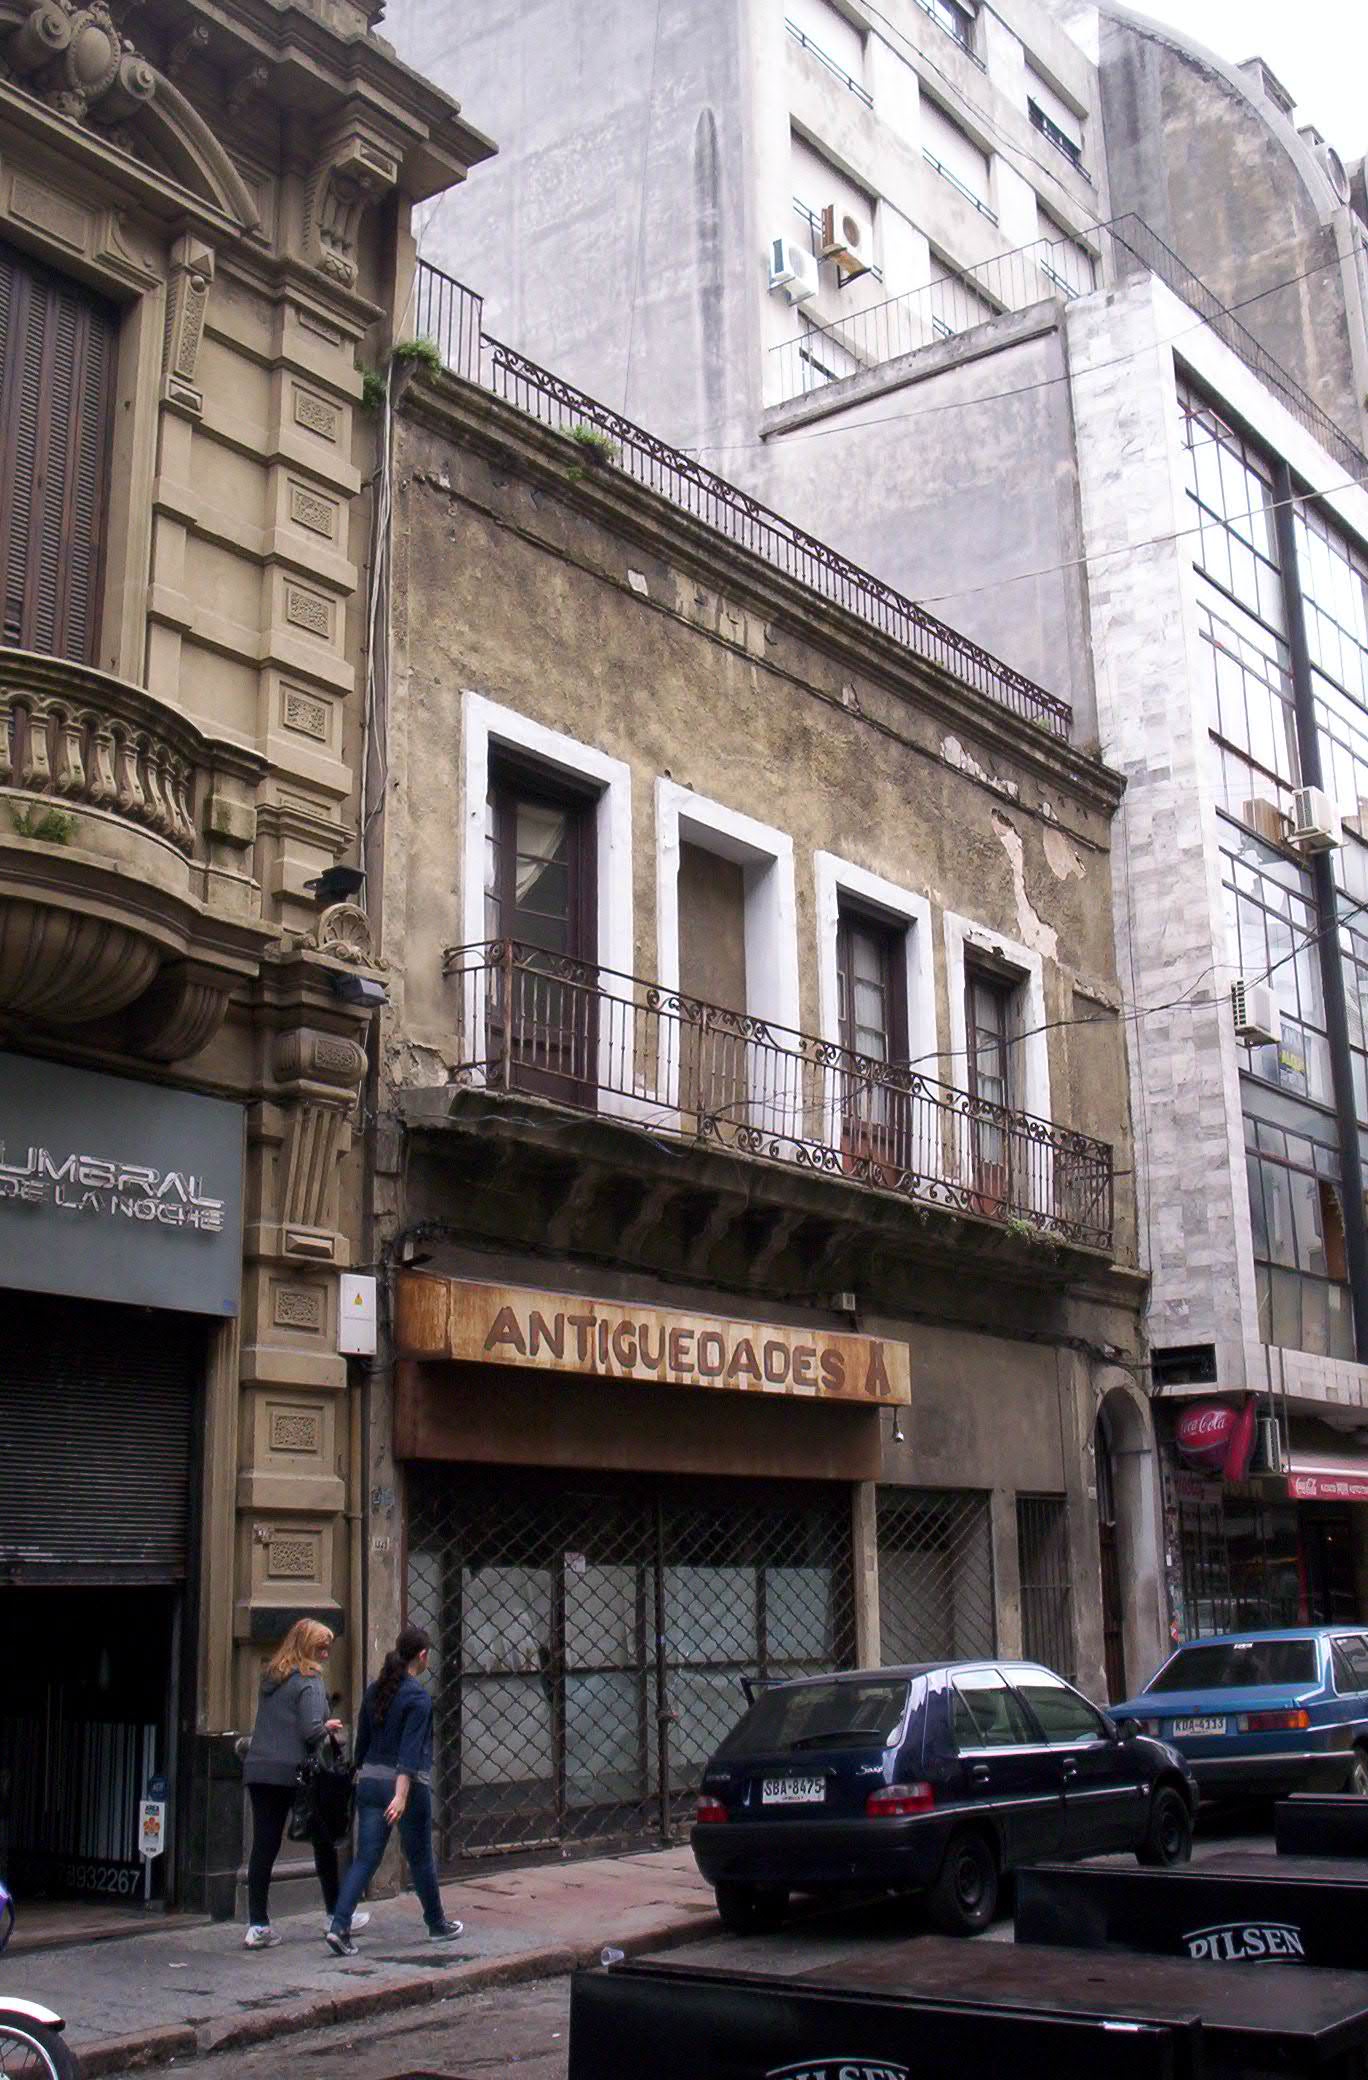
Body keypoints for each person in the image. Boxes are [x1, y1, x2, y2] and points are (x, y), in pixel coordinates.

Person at [325, 1624, 462, 1955]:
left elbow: (362, 1741)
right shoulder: (418, 1698)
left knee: (366, 1858)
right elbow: (410, 1754)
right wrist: (401, 1795)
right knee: (420, 1857)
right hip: (405, 1788)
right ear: (423, 1656)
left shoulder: (376, 1690)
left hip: (370, 1782)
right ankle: (436, 1924)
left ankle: (339, 1926)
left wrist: (358, 1774)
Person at [241, 1617, 369, 1949]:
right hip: (297, 1772)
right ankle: (335, 1914)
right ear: (308, 1648)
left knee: (264, 1845)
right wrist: (330, 1725)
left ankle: (258, 1924)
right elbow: (311, 1730)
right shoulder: (309, 1681)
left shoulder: (272, 1676)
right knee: (323, 1839)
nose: (326, 1655)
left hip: (259, 1768)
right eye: (322, 1648)